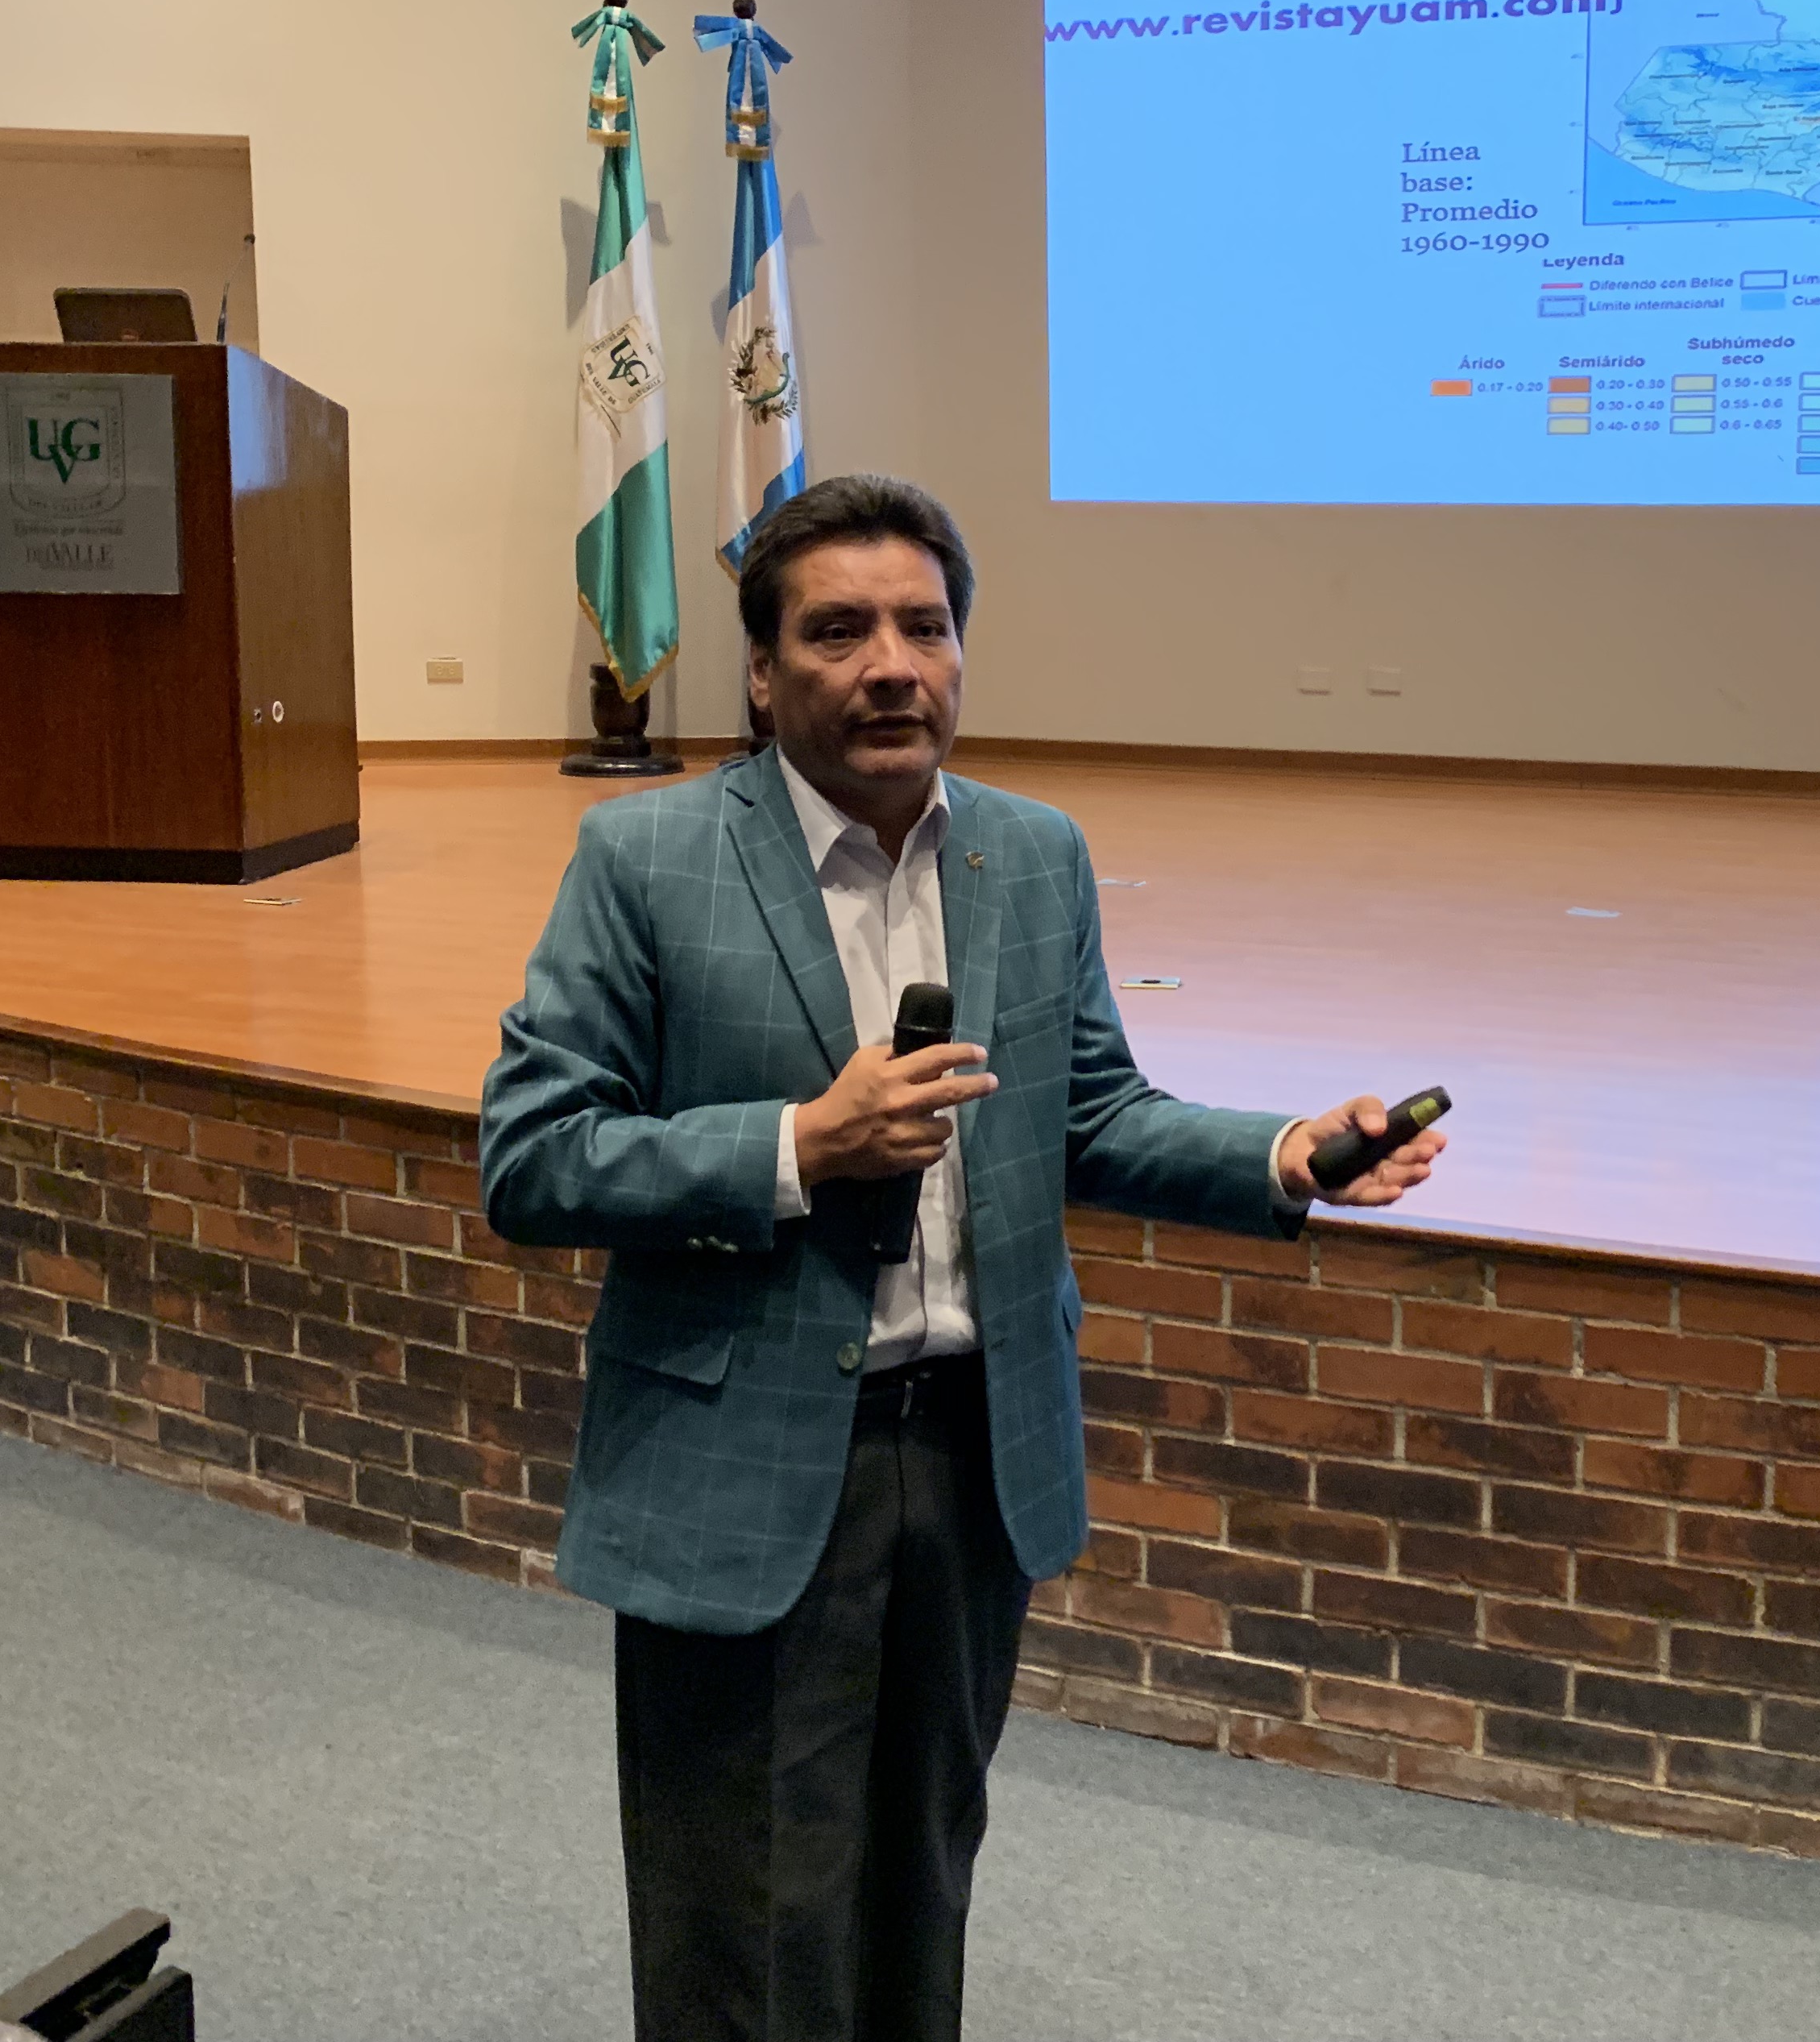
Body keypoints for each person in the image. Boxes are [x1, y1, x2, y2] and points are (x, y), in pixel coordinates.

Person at [479, 473, 1445, 2042]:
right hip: (753, 1465)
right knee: (746, 1919)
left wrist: (1283, 1156)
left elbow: (1092, 1113)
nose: (891, 664)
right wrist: (801, 1146)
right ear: (766, 671)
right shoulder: (645, 859)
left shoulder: (1031, 856)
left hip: (975, 1460)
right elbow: (532, 1156)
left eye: (924, 627)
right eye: (841, 630)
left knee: (919, 1881)